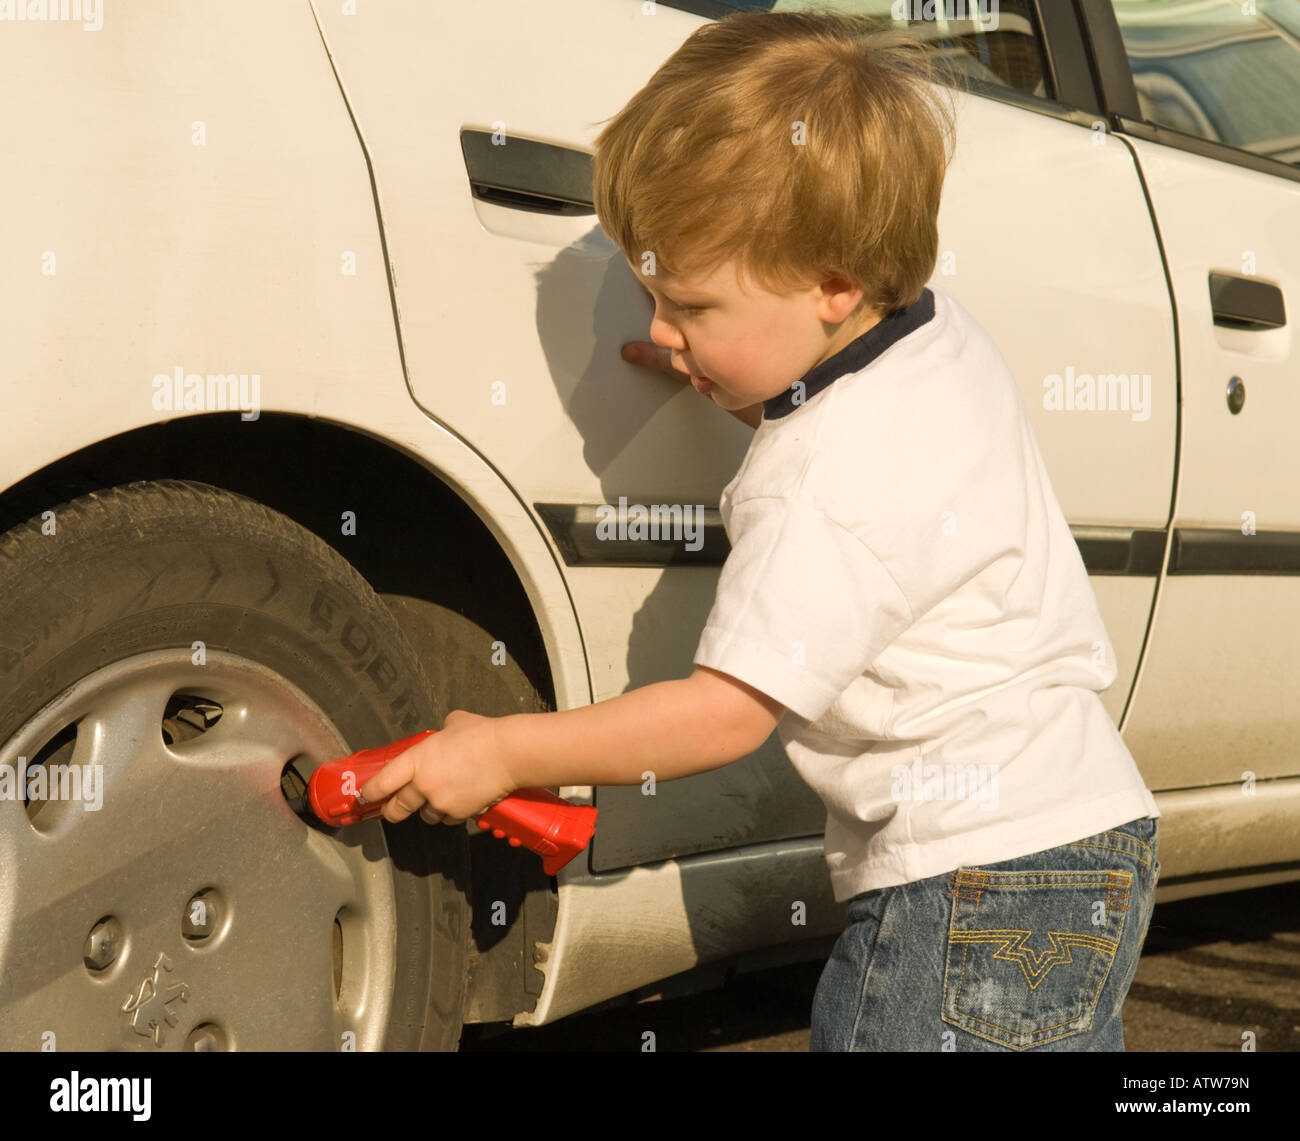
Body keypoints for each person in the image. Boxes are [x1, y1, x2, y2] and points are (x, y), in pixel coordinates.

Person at [361, 9, 1160, 1051]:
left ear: (833, 282)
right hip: (1090, 840)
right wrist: (726, 368)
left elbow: (721, 716)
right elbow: (857, 422)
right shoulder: (933, 337)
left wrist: (507, 751)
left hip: (967, 885)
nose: (656, 329)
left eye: (688, 305)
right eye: (649, 293)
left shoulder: (815, 490)